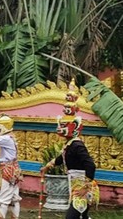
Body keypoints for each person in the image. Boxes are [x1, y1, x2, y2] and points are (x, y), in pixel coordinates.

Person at [40, 90, 99, 219]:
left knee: (71, 217)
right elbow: (63, 158)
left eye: (64, 125)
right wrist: (48, 166)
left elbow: (91, 165)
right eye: (60, 124)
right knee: (82, 216)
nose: (60, 128)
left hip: (81, 187)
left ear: (75, 127)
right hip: (75, 184)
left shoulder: (77, 145)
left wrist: (86, 187)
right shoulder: (70, 144)